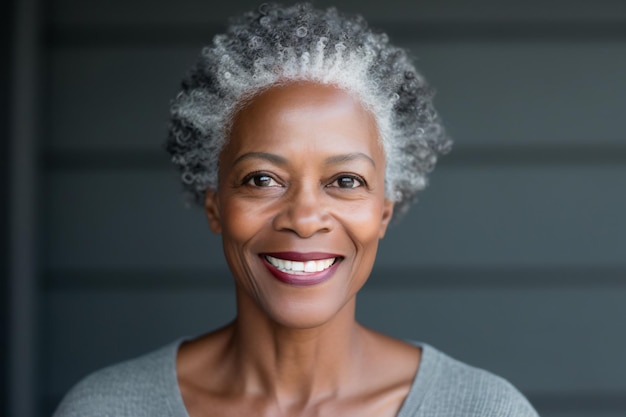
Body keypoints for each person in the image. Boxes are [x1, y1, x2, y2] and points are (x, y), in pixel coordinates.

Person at [53, 3, 538, 416]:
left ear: (384, 211)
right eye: (262, 179)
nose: (305, 219)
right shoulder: (109, 408)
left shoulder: (483, 409)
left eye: (345, 181)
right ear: (215, 205)